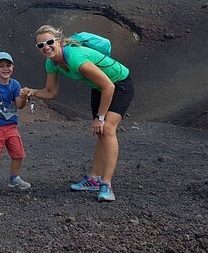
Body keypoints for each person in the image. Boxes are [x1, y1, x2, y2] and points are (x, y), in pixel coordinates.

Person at [22, 25, 134, 202]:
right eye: (40, 45)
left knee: (107, 129)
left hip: (119, 84)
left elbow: (109, 86)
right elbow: (51, 92)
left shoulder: (75, 58)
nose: (46, 47)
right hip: (99, 87)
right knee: (101, 133)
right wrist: (32, 92)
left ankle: (106, 184)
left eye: (49, 42)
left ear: (59, 41)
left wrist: (100, 117)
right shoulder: (51, 63)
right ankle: (94, 179)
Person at [0, 51, 31, 196]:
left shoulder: (15, 84)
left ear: (13, 67)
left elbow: (19, 105)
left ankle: (14, 178)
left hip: (11, 125)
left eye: (8, 65)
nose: (5, 69)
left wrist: (24, 97)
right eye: (1, 66)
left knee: (18, 153)